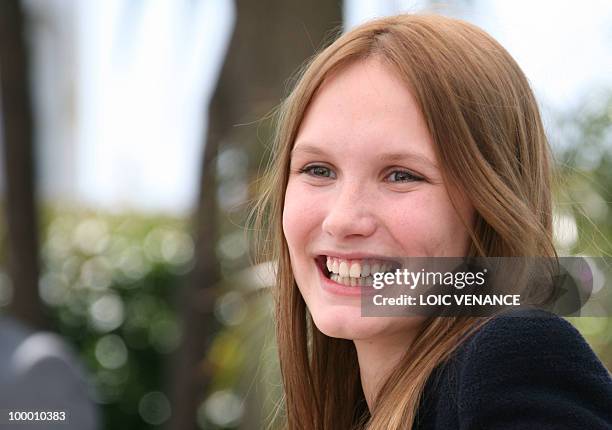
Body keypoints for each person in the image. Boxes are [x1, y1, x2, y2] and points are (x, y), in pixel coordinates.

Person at [250, 14, 612, 429]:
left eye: (402, 175)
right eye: (318, 169)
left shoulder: (516, 353)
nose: (343, 219)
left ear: (489, 202)